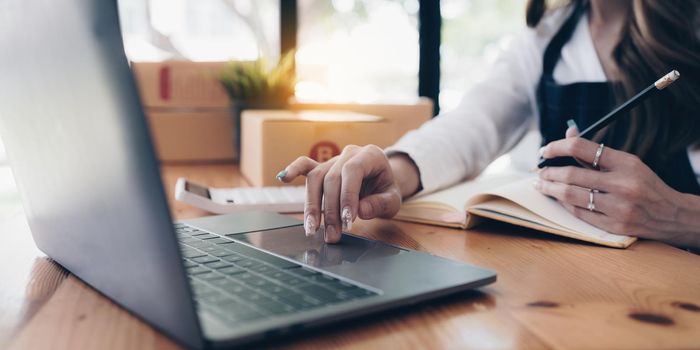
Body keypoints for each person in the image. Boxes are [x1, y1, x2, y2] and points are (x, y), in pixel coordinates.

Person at [277, 0, 700, 249]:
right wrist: (394, 170)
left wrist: (678, 215)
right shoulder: (546, 40)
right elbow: (471, 126)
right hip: (574, 279)